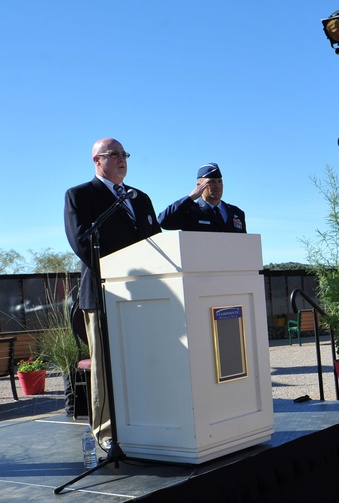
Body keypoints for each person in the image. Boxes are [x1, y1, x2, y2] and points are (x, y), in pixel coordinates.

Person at [64, 138, 161, 442]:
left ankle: (148, 419)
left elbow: (156, 242)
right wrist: (122, 270)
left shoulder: (139, 198)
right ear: (97, 161)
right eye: (114, 155)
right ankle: (105, 432)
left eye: (124, 154)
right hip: (106, 293)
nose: (122, 159)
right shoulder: (80, 195)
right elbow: (82, 242)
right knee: (106, 366)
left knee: (145, 358)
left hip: (146, 294)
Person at [157, 163, 246, 233]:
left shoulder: (236, 213)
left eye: (220, 181)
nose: (218, 186)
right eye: (211, 182)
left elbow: (244, 243)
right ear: (199, 186)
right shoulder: (191, 212)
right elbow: (164, 222)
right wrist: (190, 198)